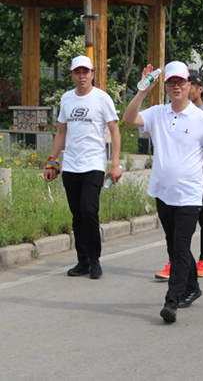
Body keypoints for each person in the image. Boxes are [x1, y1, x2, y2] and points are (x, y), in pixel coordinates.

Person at [123, 61, 203, 324]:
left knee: (181, 245)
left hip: (190, 194)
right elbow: (128, 119)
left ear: (189, 84)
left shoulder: (201, 119)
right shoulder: (157, 113)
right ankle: (193, 287)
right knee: (174, 246)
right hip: (163, 192)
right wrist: (142, 91)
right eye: (171, 83)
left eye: (181, 82)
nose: (177, 87)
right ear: (166, 86)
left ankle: (172, 301)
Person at [44, 55, 122, 279]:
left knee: (89, 210)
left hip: (93, 164)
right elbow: (61, 132)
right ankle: (83, 261)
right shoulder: (67, 99)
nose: (82, 76)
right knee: (77, 215)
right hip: (70, 165)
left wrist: (115, 164)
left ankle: (95, 260)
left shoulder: (102, 98)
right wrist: (51, 160)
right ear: (72, 74)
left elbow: (114, 131)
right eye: (77, 72)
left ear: (92, 74)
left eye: (85, 72)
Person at [154, 73, 203, 281]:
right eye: (180, 84)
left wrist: (201, 147)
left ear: (199, 89)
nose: (186, 89)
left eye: (190, 85)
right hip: (178, 181)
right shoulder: (170, 113)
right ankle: (174, 262)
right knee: (175, 227)